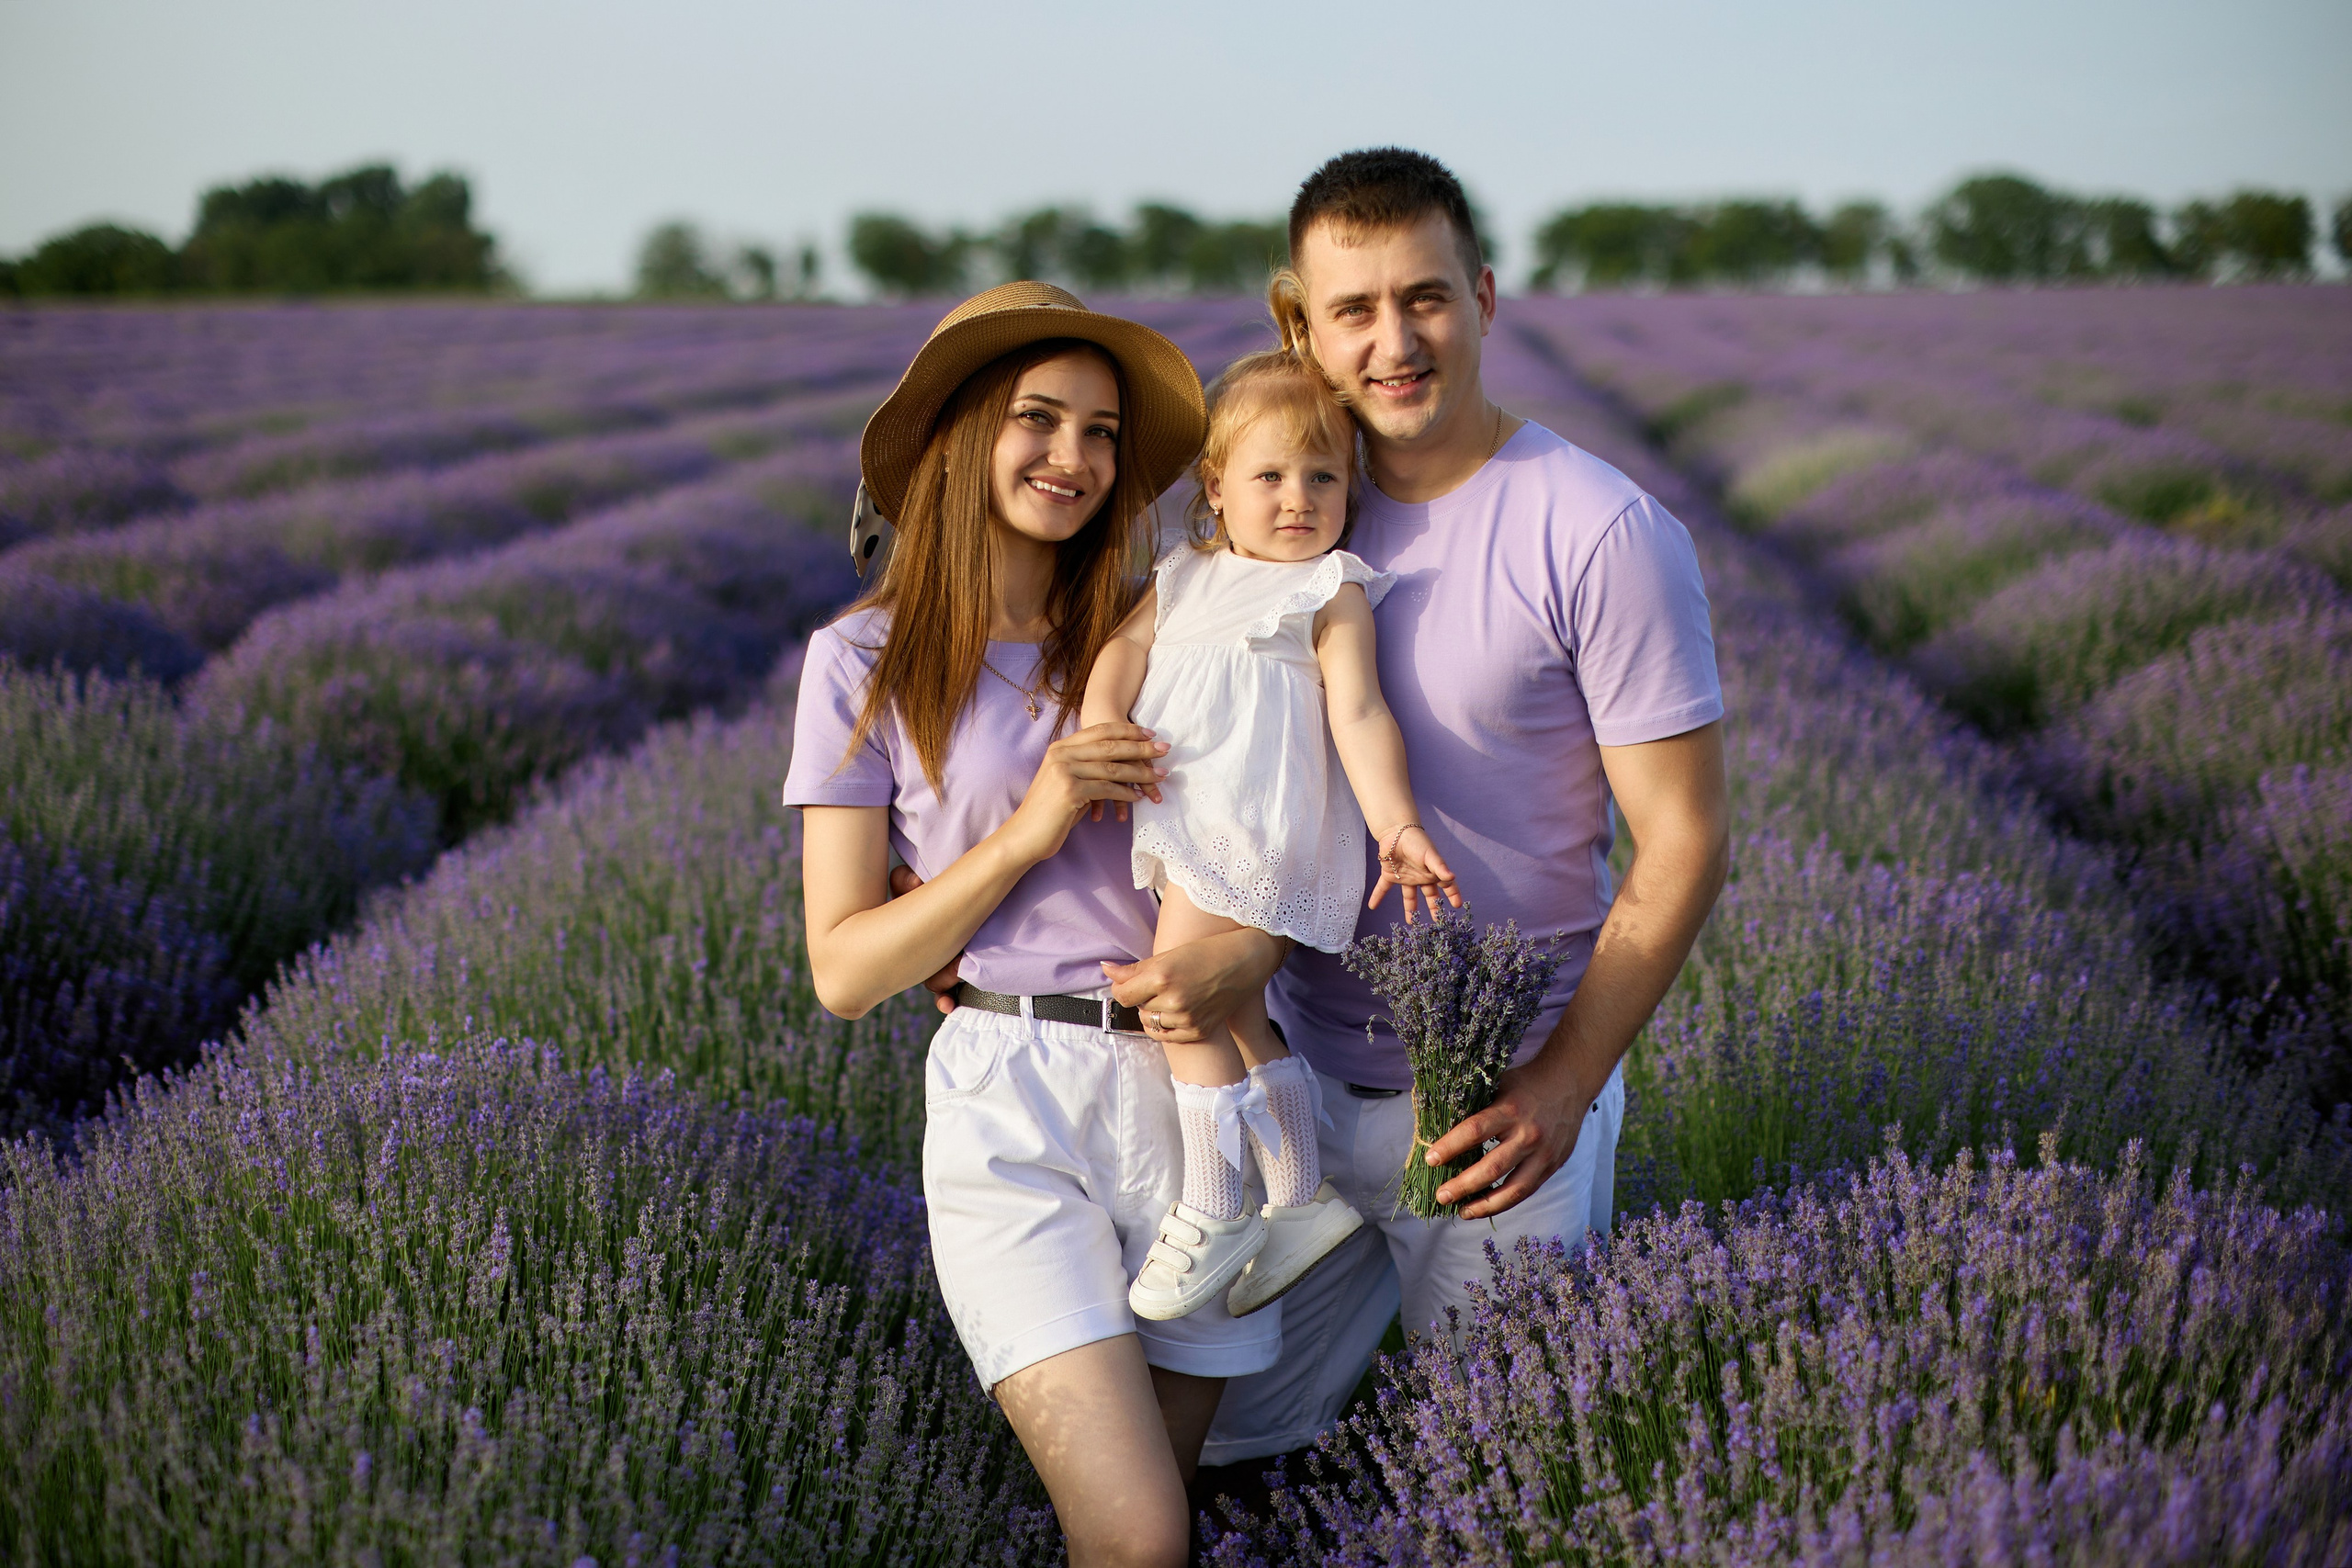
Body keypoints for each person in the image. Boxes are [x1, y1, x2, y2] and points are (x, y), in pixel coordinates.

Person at [1148, 146, 1734, 1470]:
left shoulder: (1597, 527)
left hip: (1494, 1100)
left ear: (1481, 294)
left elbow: (1685, 837)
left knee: (1508, 1459)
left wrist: (1564, 1083)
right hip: (1288, 1076)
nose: (1393, 340)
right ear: (1301, 321)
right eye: (1352, 309)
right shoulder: (1271, 516)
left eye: (1424, 297)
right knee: (1218, 1450)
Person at [784, 281, 1276, 1568]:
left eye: (1103, 431)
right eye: (1038, 419)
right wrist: (1031, 822)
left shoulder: (1160, 633)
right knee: (1138, 1529)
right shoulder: (864, 662)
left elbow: (1286, 853)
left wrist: (1256, 953)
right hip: (1014, 1107)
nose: (1075, 456)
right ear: (960, 437)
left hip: (1198, 1101)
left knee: (1160, 1517)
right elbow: (843, 966)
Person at [1079, 348, 1460, 1325]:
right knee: (1243, 1018)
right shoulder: (1184, 574)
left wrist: (1397, 825)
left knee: (1179, 1006)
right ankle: (1297, 1197)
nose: (1298, 498)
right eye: (1270, 476)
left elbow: (1362, 713)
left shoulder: (1330, 587)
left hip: (1253, 826)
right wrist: (1098, 726)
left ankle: (1214, 1209)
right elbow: (1122, 650)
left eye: (1322, 476)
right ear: (1216, 487)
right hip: (1191, 818)